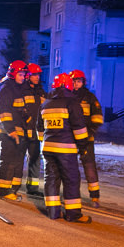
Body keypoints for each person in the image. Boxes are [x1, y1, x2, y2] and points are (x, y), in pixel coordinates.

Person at [38, 73, 91, 223]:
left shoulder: (45, 104)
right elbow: (79, 129)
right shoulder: (72, 103)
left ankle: (53, 212)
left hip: (48, 149)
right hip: (66, 150)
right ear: (68, 85)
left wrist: (46, 142)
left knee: (51, 179)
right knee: (71, 180)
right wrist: (83, 147)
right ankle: (73, 214)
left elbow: (39, 129)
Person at [0, 60, 28, 200]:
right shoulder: (7, 88)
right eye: (20, 74)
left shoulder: (15, 88)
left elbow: (17, 110)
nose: (23, 77)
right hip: (7, 132)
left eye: (24, 74)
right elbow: (4, 112)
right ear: (13, 74)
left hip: (13, 131)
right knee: (7, 161)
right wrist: (11, 130)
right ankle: (4, 192)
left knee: (8, 161)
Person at [69, 69, 103, 207]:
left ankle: (95, 197)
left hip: (86, 139)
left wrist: (91, 132)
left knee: (89, 166)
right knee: (70, 168)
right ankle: (72, 194)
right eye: (74, 81)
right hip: (70, 139)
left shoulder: (90, 97)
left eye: (79, 81)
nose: (77, 84)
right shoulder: (67, 96)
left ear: (83, 82)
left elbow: (97, 117)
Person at [24, 63, 47, 196]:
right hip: (23, 131)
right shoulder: (21, 90)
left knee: (35, 159)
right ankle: (6, 184)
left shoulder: (41, 92)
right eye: (34, 75)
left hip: (35, 132)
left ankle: (32, 188)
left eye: (38, 74)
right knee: (15, 159)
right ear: (28, 76)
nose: (37, 77)